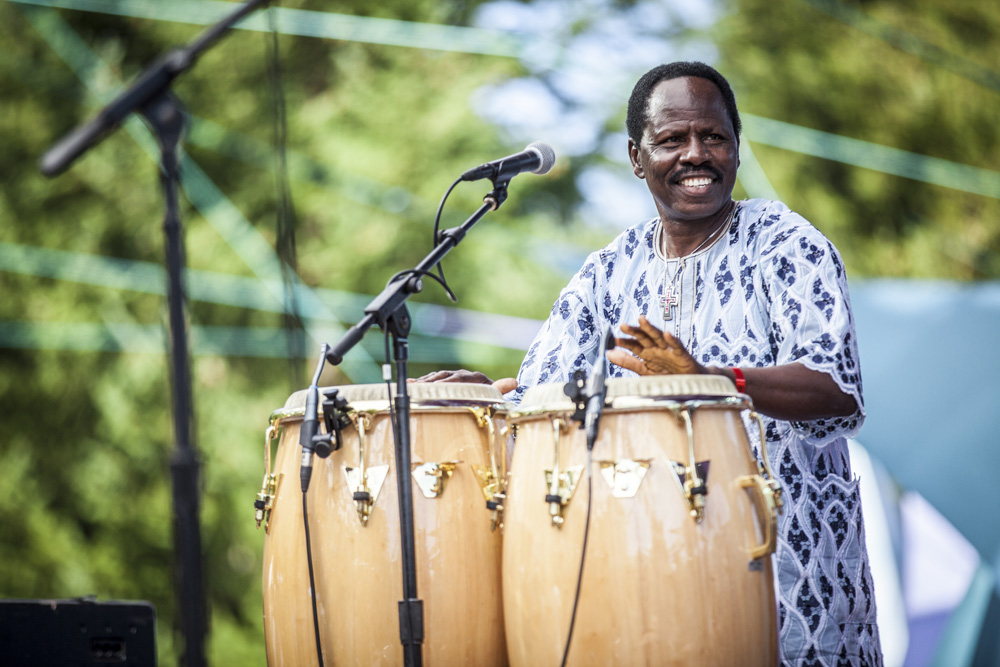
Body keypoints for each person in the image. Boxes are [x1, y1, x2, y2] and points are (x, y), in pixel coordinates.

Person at [417, 61, 882, 666]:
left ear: (735, 145)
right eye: (672, 140)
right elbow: (542, 397)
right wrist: (487, 401)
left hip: (789, 584)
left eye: (713, 136)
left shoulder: (785, 242)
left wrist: (711, 381)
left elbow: (834, 386)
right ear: (637, 158)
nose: (697, 154)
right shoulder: (608, 272)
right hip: (651, 588)